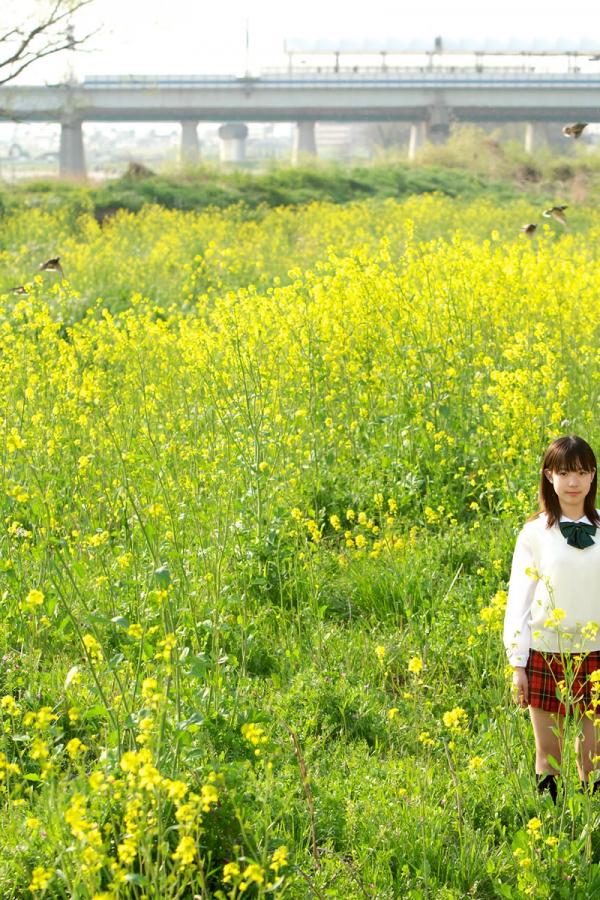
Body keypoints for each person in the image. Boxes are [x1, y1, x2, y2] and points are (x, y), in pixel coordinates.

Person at [503, 435, 600, 802]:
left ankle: (590, 833)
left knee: (593, 757)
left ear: (592, 477)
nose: (573, 482)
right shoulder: (534, 534)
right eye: (563, 472)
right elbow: (519, 602)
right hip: (547, 654)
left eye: (581, 472)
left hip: (596, 654)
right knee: (550, 755)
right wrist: (518, 664)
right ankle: (549, 829)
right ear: (549, 476)